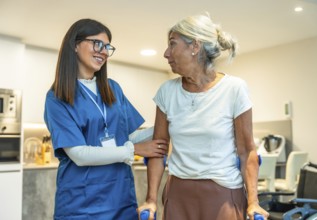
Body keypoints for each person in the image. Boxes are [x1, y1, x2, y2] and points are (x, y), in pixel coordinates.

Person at [137, 14, 269, 220]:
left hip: (223, 194)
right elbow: (158, 150)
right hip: (178, 194)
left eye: (172, 44)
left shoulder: (234, 89)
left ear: (195, 46)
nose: (166, 53)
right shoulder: (167, 92)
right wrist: (151, 199)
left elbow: (247, 151)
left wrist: (253, 202)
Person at [44, 18, 168, 219]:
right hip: (81, 203)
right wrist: (133, 150)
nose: (103, 51)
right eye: (97, 43)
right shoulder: (57, 97)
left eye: (107, 47)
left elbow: (126, 137)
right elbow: (79, 154)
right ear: (75, 45)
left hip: (120, 199)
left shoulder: (113, 89)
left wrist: (168, 124)